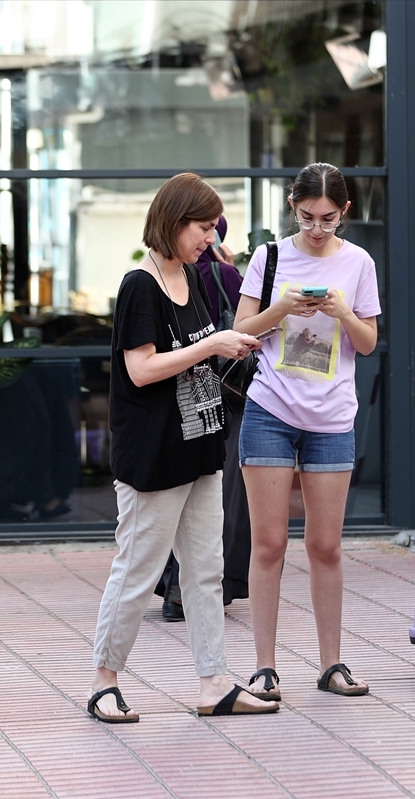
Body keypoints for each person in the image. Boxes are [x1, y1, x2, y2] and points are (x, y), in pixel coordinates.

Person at [88, 173, 277, 722]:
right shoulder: (139, 286)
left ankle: (213, 681)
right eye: (201, 226)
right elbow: (140, 369)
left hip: (198, 447)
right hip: (153, 457)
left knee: (205, 571)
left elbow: (191, 358)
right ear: (173, 223)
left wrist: (226, 348)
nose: (210, 236)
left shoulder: (192, 279)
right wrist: (212, 344)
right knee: (139, 569)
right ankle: (104, 681)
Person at [233, 163, 382, 700]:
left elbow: (367, 344)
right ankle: (265, 667)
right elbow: (239, 330)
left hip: (332, 417)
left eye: (328, 218)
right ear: (291, 207)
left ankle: (331, 665)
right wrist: (281, 308)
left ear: (345, 212)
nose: (318, 229)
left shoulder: (358, 262)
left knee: (325, 546)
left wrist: (341, 310)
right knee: (268, 543)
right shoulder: (269, 256)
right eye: (307, 217)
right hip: (270, 408)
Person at [154, 214, 253, 619]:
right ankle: (207, 586)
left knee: (183, 484)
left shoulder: (167, 275)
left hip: (179, 389)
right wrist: (230, 267)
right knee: (220, 488)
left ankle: (174, 585)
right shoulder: (225, 275)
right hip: (223, 391)